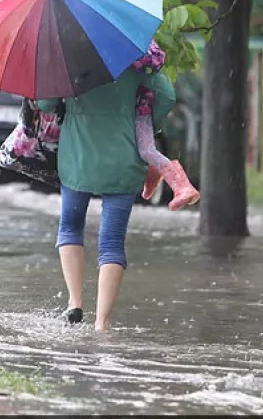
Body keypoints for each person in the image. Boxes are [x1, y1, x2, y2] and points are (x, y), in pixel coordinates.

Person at [37, 57, 177, 332]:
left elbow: (45, 104)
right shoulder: (135, 58)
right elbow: (167, 97)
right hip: (122, 157)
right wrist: (143, 118)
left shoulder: (69, 58)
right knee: (112, 241)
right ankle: (102, 323)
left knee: (70, 227)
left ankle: (75, 303)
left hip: (78, 158)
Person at [133, 41, 200, 210]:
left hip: (138, 107)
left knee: (146, 150)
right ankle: (154, 170)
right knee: (146, 150)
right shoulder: (141, 40)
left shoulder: (131, 47)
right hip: (142, 106)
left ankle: (182, 186)